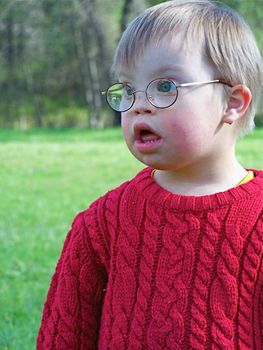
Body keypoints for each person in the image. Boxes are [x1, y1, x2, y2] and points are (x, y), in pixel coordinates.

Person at [37, 0, 263, 348]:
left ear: (233, 102)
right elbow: (63, 337)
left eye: (166, 87)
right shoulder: (103, 223)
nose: (139, 104)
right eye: (128, 89)